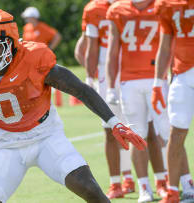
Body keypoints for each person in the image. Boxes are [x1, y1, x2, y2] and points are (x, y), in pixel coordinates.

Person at [0, 8, 146, 203]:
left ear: (11, 44)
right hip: (5, 142)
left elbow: (79, 89)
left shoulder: (33, 59)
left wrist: (114, 122)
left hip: (45, 135)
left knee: (89, 188)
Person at [106, 0, 172, 202]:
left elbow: (172, 42)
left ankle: (173, 183)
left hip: (157, 79)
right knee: (137, 135)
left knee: (168, 133)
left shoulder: (163, 6)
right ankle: (144, 187)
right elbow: (113, 50)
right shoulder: (117, 10)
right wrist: (110, 86)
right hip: (130, 81)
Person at [79, 0, 137, 199]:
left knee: (134, 125)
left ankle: (130, 177)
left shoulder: (133, 4)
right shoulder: (94, 9)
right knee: (110, 127)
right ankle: (116, 182)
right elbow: (91, 46)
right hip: (105, 70)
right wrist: (89, 76)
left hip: (133, 67)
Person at [152, 0, 194, 202]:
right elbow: (165, 44)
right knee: (175, 131)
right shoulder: (167, 4)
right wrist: (157, 83)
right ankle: (173, 191)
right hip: (182, 74)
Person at [21, 6, 66, 107]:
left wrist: (49, 48)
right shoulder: (26, 28)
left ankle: (52, 102)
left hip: (42, 60)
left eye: (28, 17)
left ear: (34, 17)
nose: (26, 19)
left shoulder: (42, 27)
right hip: (30, 60)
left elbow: (57, 36)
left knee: (46, 79)